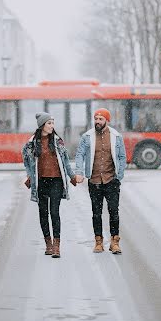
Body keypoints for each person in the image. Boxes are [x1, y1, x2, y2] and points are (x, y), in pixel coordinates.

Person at [22, 112, 77, 258]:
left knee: (54, 212)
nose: (52, 126)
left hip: (56, 181)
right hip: (40, 182)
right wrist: (29, 175)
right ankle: (48, 244)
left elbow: (65, 161)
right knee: (43, 213)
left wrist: (72, 176)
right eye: (49, 123)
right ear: (42, 125)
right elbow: (26, 161)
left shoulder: (58, 141)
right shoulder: (32, 143)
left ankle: (57, 246)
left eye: (53, 123)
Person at [75, 108, 126, 254]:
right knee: (96, 213)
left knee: (113, 211)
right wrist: (79, 172)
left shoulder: (116, 136)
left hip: (111, 180)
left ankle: (115, 242)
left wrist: (119, 175)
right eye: (96, 119)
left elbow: (122, 157)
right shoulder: (87, 137)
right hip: (95, 180)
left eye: (100, 119)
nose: (97, 121)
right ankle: (98, 242)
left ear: (106, 120)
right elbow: (79, 155)